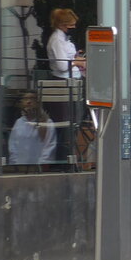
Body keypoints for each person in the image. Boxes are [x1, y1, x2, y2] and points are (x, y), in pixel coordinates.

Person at [45, 8, 84, 163]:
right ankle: (63, 160)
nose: (73, 28)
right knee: (66, 124)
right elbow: (62, 66)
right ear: (62, 25)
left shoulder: (64, 40)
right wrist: (77, 62)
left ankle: (67, 158)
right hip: (63, 84)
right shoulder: (56, 40)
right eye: (70, 25)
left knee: (72, 123)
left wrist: (75, 59)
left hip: (72, 83)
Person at [8, 91, 56, 166]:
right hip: (20, 167)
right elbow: (13, 146)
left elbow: (49, 147)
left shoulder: (47, 123)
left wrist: (41, 165)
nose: (29, 102)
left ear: (38, 102)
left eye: (32, 99)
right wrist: (15, 164)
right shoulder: (19, 122)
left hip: (39, 169)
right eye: (26, 99)